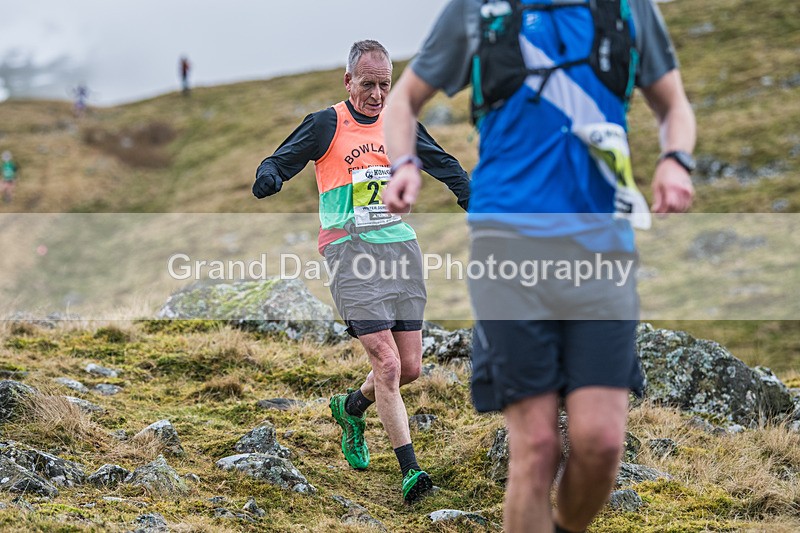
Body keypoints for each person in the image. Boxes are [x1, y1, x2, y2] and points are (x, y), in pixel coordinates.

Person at [383, 0, 695, 531]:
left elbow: (674, 108)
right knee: (537, 446)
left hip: (602, 252)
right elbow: (403, 101)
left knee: (600, 444)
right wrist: (404, 165)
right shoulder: (479, 11)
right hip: (508, 245)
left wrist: (675, 159)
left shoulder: (626, 8)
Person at [252, 40, 470, 503]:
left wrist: (468, 193)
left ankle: (351, 408)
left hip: (399, 249)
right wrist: (269, 176)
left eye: (384, 85)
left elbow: (443, 162)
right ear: (348, 80)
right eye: (367, 84)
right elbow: (280, 159)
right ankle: (411, 471)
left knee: (409, 367)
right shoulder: (326, 123)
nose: (376, 94)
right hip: (348, 251)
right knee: (387, 363)